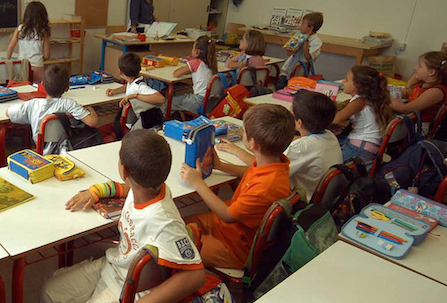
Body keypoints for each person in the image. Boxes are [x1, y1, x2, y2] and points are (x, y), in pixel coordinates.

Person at [42, 130, 205, 302]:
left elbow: (196, 276)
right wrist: (97, 191)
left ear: (124, 170)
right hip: (113, 266)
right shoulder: (150, 187)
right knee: (49, 292)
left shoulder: (163, 221)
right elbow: (129, 189)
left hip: (130, 288)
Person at [181, 104, 293, 268]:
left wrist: (198, 183)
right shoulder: (274, 164)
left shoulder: (265, 187)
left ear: (253, 143)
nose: (242, 133)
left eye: (244, 131)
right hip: (228, 228)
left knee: (177, 249)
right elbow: (251, 170)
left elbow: (227, 215)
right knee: (180, 224)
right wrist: (221, 166)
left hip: (234, 248)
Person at [219, 91, 341, 199]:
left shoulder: (300, 148)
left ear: (299, 123)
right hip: (324, 200)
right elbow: (303, 140)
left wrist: (234, 152)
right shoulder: (329, 135)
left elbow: (263, 168)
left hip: (300, 203)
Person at [6, 64, 98, 153]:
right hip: (67, 153)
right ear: (67, 88)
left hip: (41, 152)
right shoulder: (69, 104)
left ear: (42, 85)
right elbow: (92, 122)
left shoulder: (33, 104)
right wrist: (91, 109)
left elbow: (8, 113)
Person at [333, 66, 393, 167]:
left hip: (360, 149)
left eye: (347, 80)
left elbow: (335, 119)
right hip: (371, 147)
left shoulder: (359, 101)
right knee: (333, 141)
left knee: (327, 159)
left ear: (357, 85)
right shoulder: (371, 98)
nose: (343, 82)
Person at [391, 51, 447, 127]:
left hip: (420, 127)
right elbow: (408, 93)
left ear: (431, 72)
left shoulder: (435, 92)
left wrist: (385, 96)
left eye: (420, 66)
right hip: (412, 120)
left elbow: (405, 109)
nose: (416, 68)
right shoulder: (424, 83)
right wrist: (388, 92)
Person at [105, 52, 166, 130]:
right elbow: (129, 86)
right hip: (135, 118)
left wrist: (135, 96)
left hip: (139, 122)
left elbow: (161, 99)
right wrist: (115, 91)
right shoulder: (135, 83)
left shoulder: (141, 87)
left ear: (120, 71)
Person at [6, 1, 51, 84]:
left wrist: (7, 60)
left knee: (22, 87)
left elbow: (11, 46)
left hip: (21, 65)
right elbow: (47, 55)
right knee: (37, 89)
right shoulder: (43, 32)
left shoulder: (20, 29)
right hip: (37, 65)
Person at [171, 35, 217, 113]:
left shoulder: (195, 62)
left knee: (168, 102)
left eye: (193, 48)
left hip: (198, 102)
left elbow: (176, 74)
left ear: (197, 51)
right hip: (210, 103)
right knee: (180, 98)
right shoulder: (212, 63)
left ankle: (164, 123)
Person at [279, 12, 324, 87]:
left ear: (311, 27)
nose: (300, 26)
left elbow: (308, 57)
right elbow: (290, 55)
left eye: (303, 24)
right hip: (286, 72)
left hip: (300, 75)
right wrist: (290, 49)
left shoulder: (317, 41)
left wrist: (305, 41)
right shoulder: (299, 36)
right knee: (280, 89)